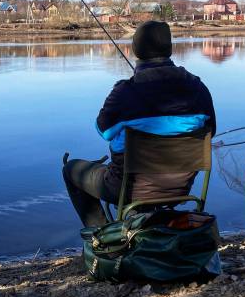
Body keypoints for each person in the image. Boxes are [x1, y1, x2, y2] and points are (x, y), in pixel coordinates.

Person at [62, 20, 216, 227]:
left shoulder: (125, 92)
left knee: (72, 169)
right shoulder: (198, 88)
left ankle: (102, 238)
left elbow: (103, 130)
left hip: (127, 188)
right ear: (170, 49)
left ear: (136, 50)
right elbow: (210, 132)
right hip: (179, 189)